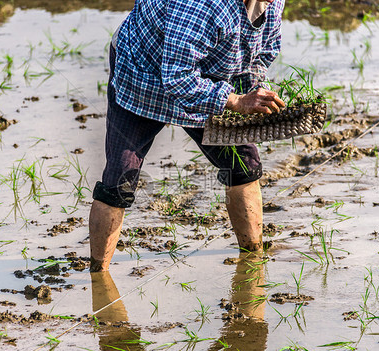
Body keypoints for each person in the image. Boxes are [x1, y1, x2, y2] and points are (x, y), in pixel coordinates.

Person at [89, 0, 286, 272]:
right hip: (145, 75)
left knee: (243, 165)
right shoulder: (202, 4)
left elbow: (263, 52)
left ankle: (252, 261)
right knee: (119, 179)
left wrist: (254, 91)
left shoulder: (272, 2)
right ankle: (98, 276)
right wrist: (235, 101)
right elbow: (178, 77)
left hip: (209, 79)